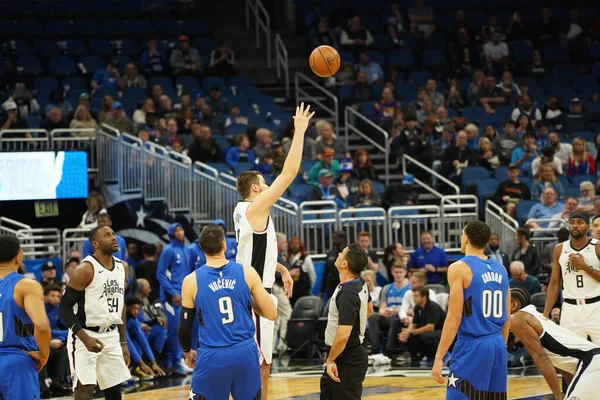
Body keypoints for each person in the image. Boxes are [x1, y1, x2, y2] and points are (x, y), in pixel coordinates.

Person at [233, 103, 313, 398]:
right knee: (256, 366)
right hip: (254, 295)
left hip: (254, 287)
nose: (267, 186)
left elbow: (250, 253)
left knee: (263, 365)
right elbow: (290, 172)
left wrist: (279, 269)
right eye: (264, 183)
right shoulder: (256, 207)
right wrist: (300, 131)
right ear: (255, 189)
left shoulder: (242, 211)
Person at [178, 225, 277, 399]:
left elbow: (184, 328)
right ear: (224, 245)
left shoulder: (191, 281)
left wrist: (187, 353)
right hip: (244, 353)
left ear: (202, 248)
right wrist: (247, 299)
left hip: (212, 356)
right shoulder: (247, 272)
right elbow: (271, 313)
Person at [432, 221, 510, 399]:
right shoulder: (502, 269)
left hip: (473, 344)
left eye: (462, 234)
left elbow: (454, 317)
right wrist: (501, 347)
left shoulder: (459, 268)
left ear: (466, 238)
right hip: (497, 343)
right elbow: (507, 317)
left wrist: (439, 357)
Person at [59, 225, 132, 400]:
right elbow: (64, 308)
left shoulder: (123, 267)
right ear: (96, 244)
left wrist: (123, 341)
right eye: (107, 235)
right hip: (85, 335)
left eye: (114, 234)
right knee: (85, 392)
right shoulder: (85, 269)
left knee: (114, 392)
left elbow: (120, 305)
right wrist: (85, 338)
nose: (114, 237)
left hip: (112, 335)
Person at [510, 287, 600, 400]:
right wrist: (570, 390)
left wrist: (557, 395)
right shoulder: (533, 314)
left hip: (591, 361)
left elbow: (540, 357)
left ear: (513, 305)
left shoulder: (517, 318)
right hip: (592, 361)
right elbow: (560, 359)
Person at [0, 235, 51, 400]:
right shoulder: (26, 285)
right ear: (18, 256)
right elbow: (41, 325)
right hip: (16, 364)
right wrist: (44, 354)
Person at [321, 244, 372, 399]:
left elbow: (343, 336)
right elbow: (369, 310)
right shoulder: (359, 283)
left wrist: (330, 360)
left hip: (346, 356)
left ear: (345, 264)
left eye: (341, 253)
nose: (338, 254)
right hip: (343, 353)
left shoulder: (348, 293)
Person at [544, 212, 600, 344]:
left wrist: (584, 266)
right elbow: (554, 283)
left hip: (596, 307)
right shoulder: (560, 249)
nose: (575, 226)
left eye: (579, 223)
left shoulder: (597, 247)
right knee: (571, 356)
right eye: (572, 222)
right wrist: (546, 312)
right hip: (570, 309)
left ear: (588, 227)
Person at [156, 222, 191, 375]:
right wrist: (173, 293)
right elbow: (160, 274)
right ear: (171, 233)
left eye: (181, 229)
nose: (180, 232)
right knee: (175, 329)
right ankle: (172, 362)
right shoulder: (168, 251)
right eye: (176, 230)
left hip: (184, 294)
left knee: (183, 329)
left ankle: (178, 360)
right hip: (172, 297)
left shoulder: (187, 250)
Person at [399, 286, 446, 366]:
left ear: (424, 297)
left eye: (416, 296)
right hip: (429, 331)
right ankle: (422, 357)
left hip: (443, 332)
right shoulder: (417, 307)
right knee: (409, 336)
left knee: (425, 336)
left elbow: (430, 327)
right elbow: (414, 324)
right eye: (413, 296)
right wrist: (406, 332)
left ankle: (444, 355)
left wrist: (411, 331)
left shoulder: (432, 306)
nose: (414, 298)